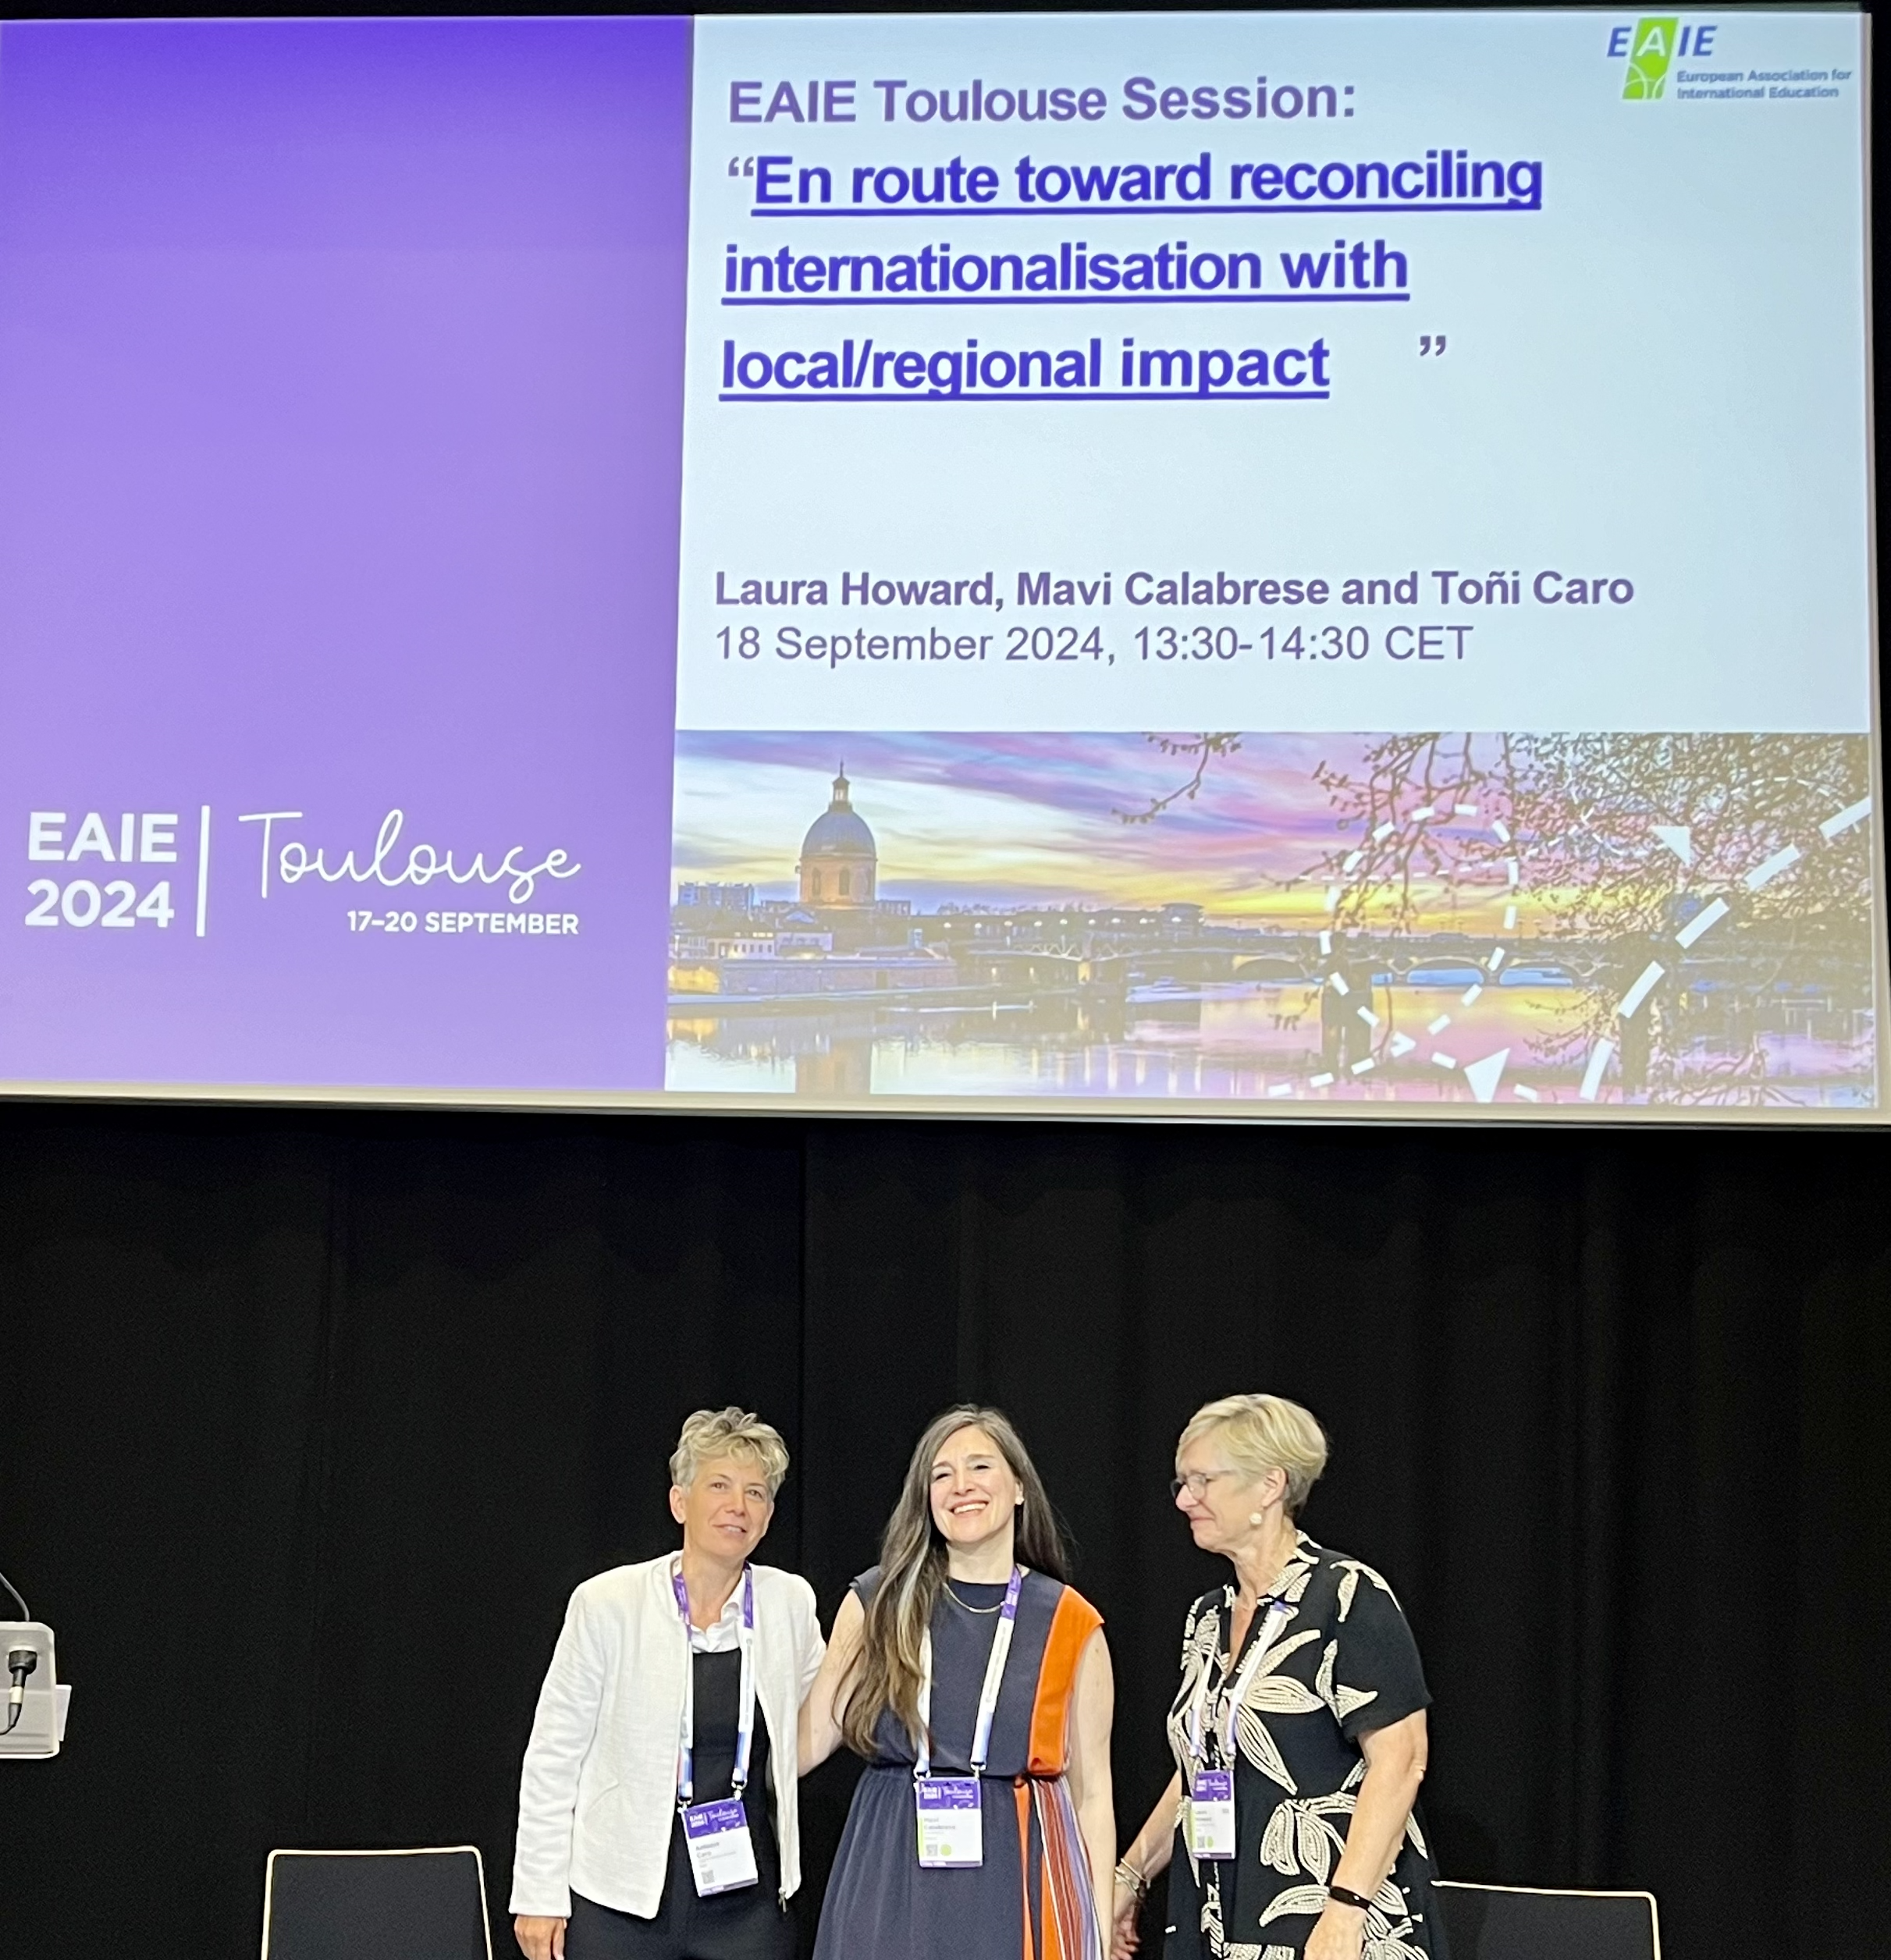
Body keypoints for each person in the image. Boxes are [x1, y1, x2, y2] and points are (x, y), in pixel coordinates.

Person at [1111, 1395, 1441, 1960]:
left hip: (1325, 1915)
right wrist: (1131, 1875)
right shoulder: (1206, 1619)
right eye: (1180, 1484)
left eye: (1202, 1481)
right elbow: (1202, 1764)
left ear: (1269, 1485)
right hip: (1216, 1910)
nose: (1185, 1500)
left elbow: (1402, 1759)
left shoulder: (1345, 1596)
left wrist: (1344, 1910)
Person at [800, 1405, 1115, 1960]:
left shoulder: (1070, 1622)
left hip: (1016, 1877)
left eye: (979, 1468)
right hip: (888, 1871)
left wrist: (1098, 1933)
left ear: (1018, 1487)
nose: (960, 1486)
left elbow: (1092, 1798)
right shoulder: (877, 1603)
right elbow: (805, 1743)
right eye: (941, 1474)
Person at [511, 1408, 825, 1960]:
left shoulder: (789, 1602)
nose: (738, 1506)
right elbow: (553, 1758)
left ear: (770, 1515)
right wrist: (538, 1894)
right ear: (680, 1501)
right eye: (719, 1486)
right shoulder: (608, 1603)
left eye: (756, 1492)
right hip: (620, 1901)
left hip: (746, 1904)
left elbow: (826, 1714)